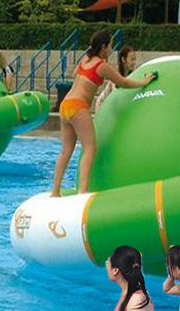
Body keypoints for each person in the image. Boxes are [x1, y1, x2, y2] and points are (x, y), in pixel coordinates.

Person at [52, 31, 155, 197]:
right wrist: (145, 81)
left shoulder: (85, 59)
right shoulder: (101, 66)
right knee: (90, 148)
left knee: (65, 151)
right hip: (78, 106)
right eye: (110, 45)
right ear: (103, 47)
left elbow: (75, 73)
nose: (112, 49)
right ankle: (82, 192)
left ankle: (55, 191)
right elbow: (123, 82)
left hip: (65, 105)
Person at [94, 46, 137, 112]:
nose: (134, 62)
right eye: (132, 59)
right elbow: (116, 96)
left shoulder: (134, 74)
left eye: (135, 59)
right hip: (103, 105)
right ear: (123, 60)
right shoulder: (115, 75)